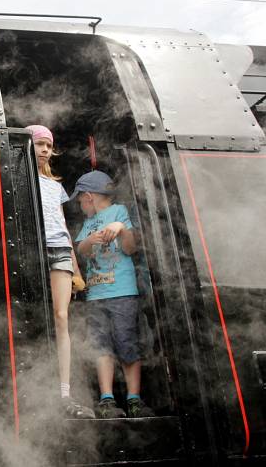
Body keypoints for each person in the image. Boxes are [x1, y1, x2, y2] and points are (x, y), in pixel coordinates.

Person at [71, 170, 155, 419]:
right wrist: (92, 239)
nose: (79, 205)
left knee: (127, 342)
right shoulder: (88, 223)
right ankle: (107, 399)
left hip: (122, 291)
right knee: (100, 346)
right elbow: (82, 250)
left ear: (89, 197)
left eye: (80, 200)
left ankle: (134, 399)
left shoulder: (120, 212)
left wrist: (120, 228)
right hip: (96, 294)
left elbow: (130, 248)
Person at [26, 125, 94, 419]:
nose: (44, 149)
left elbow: (64, 228)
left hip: (59, 251)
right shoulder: (19, 179)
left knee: (62, 316)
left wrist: (77, 270)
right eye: (39, 144)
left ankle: (64, 391)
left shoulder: (56, 187)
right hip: (32, 249)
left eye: (47, 145)